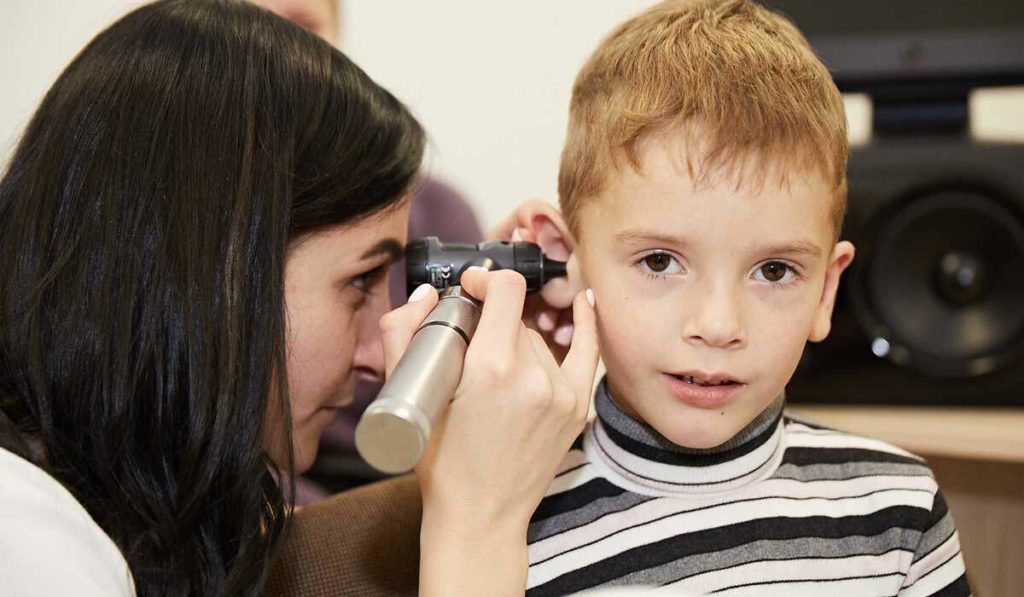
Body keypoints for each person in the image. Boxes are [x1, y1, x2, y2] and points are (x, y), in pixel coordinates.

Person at [0, 1, 598, 596]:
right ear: (212, 270)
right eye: (361, 282)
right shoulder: (33, 543)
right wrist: (477, 518)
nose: (375, 356)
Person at [494, 1, 971, 594]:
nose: (718, 326)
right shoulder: (505, 526)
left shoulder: (900, 513)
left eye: (773, 271)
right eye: (660, 262)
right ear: (563, 259)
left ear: (827, 290)